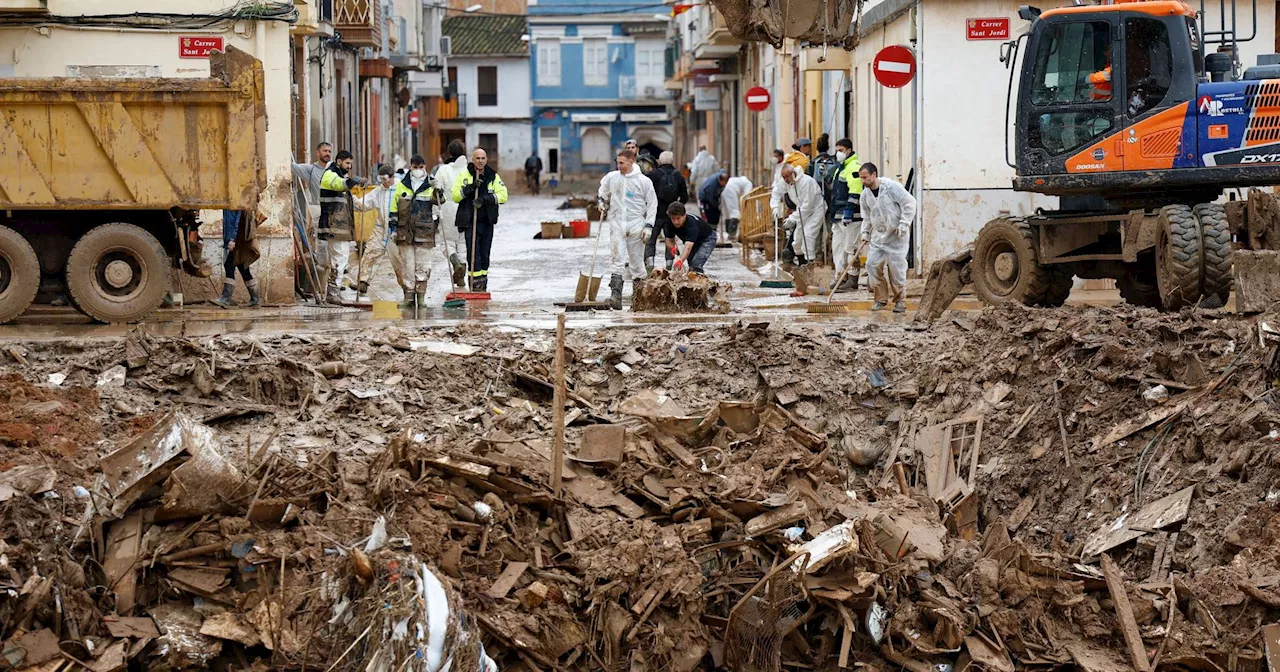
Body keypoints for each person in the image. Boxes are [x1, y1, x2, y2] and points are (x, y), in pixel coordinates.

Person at [598, 149, 657, 310]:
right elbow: (602, 190)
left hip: (636, 225)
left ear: (631, 162)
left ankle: (639, 299)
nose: (619, 165)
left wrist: (649, 225)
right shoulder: (612, 177)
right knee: (616, 260)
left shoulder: (644, 181)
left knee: (637, 263)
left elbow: (652, 204)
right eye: (617, 162)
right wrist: (602, 201)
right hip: (617, 224)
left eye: (622, 163)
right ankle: (615, 297)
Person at [858, 162, 917, 313]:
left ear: (874, 174)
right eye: (861, 178)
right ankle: (880, 299)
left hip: (896, 236)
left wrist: (904, 224)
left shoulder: (891, 188)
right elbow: (866, 217)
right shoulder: (865, 195)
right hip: (878, 237)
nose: (863, 181)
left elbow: (909, 203)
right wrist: (865, 233)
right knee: (871, 265)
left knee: (896, 270)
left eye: (865, 177)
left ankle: (900, 301)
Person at [451, 147, 508, 292]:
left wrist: (485, 199)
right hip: (470, 220)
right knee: (473, 252)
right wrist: (470, 188)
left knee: (484, 253)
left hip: (487, 221)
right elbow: (455, 196)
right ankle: (474, 284)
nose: (480, 161)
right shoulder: (464, 175)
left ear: (486, 160)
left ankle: (483, 282)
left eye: (483, 158)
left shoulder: (493, 176)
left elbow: (503, 196)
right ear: (473, 159)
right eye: (478, 158)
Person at [353, 164, 408, 303]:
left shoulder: (401, 189)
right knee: (370, 253)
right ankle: (363, 283)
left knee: (399, 262)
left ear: (392, 177)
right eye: (380, 179)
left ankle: (408, 289)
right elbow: (363, 205)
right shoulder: (378, 191)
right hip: (380, 228)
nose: (383, 182)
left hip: (396, 230)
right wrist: (351, 197)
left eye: (385, 179)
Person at [318, 149, 365, 303]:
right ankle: (332, 292)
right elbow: (339, 185)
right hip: (333, 226)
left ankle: (335, 290)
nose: (349, 166)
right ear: (339, 161)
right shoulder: (330, 175)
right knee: (338, 259)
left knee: (342, 259)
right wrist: (353, 181)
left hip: (341, 227)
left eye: (351, 163)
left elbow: (347, 196)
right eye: (347, 163)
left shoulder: (339, 175)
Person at [394, 155, 438, 306]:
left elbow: (441, 202)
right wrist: (393, 228)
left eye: (421, 167)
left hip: (424, 231)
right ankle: (408, 297)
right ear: (410, 167)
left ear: (425, 167)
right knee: (407, 265)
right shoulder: (401, 185)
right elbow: (394, 207)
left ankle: (421, 296)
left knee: (423, 264)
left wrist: (438, 190)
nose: (418, 171)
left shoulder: (431, 184)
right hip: (405, 231)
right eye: (415, 167)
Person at [827, 139, 863, 292]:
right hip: (838, 214)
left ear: (848, 150)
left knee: (850, 247)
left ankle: (853, 278)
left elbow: (856, 190)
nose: (838, 153)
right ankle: (841, 276)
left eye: (841, 150)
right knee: (838, 247)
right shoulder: (840, 168)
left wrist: (849, 210)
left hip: (851, 216)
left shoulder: (854, 167)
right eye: (837, 150)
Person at [434, 140, 470, 287]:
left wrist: (435, 213)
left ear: (449, 153)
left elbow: (436, 193)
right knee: (463, 243)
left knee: (447, 243)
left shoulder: (443, 170)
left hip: (448, 210)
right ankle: (461, 276)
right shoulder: (469, 169)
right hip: (466, 210)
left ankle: (455, 262)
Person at [776, 164, 825, 266]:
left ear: (793, 174)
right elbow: (776, 192)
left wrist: (792, 218)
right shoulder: (787, 182)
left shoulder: (806, 182)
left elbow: (808, 205)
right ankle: (801, 263)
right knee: (797, 239)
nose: (785, 180)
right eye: (783, 177)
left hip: (816, 210)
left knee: (808, 235)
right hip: (801, 212)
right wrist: (775, 207)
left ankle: (810, 263)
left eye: (786, 177)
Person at [648, 150, 689, 273]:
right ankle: (669, 265)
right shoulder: (678, 176)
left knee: (651, 240)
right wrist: (676, 210)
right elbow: (685, 197)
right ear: (672, 162)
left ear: (659, 162)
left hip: (654, 213)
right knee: (670, 239)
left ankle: (649, 265)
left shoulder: (653, 175)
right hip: (671, 216)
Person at [213, 210, 261, 308]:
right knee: (243, 269)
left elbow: (238, 222)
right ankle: (255, 299)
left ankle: (225, 298)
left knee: (229, 265)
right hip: (232, 241)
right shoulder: (228, 205)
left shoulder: (237, 204)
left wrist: (233, 239)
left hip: (236, 241)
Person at [664, 202, 717, 274]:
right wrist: (672, 248)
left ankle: (699, 281)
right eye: (673, 219)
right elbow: (669, 240)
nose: (676, 222)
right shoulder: (668, 222)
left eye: (678, 218)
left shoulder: (691, 225)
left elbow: (688, 248)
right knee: (691, 262)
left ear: (684, 215)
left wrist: (680, 261)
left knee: (696, 263)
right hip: (691, 241)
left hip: (707, 239)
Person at [719, 174, 753, 241]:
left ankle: (728, 232)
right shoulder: (749, 184)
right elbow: (746, 197)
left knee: (727, 213)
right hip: (730, 190)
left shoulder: (739, 180)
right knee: (734, 212)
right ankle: (732, 234)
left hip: (724, 190)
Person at [698, 171, 728, 235]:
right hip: (706, 199)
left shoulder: (720, 176)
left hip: (711, 197)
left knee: (716, 214)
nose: (725, 185)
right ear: (721, 180)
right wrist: (717, 206)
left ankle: (713, 231)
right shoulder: (711, 186)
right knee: (712, 216)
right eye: (724, 183)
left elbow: (722, 170)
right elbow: (711, 199)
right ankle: (711, 232)